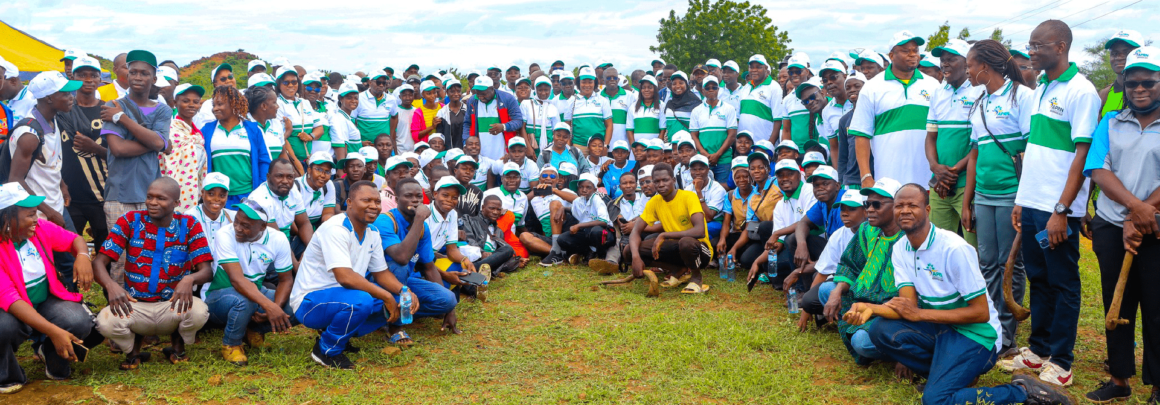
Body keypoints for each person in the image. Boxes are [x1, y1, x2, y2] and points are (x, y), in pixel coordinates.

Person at [855, 184, 1074, 405]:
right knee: (880, 330)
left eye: (912, 205)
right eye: (899, 206)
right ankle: (954, 375)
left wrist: (919, 315)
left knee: (935, 401)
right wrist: (871, 308)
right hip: (942, 328)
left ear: (928, 210)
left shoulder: (953, 248)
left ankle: (1021, 391)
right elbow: (908, 306)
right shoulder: (901, 249)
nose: (904, 211)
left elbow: (980, 314)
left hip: (977, 335)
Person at [1000, 20, 1100, 387]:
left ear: (1060, 47)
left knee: (1063, 284)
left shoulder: (1081, 91)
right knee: (1040, 279)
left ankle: (1061, 361)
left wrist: (1062, 210)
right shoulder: (1043, 87)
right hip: (1033, 204)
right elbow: (1037, 153)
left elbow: (1082, 155)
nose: (1031, 52)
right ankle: (1038, 350)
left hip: (1058, 210)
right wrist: (1022, 201)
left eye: (1037, 45)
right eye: (1029, 45)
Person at [1082, 46, 1160, 403]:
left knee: (1157, 305)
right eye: (1132, 84)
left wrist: (1143, 215)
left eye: (1148, 83)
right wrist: (1133, 210)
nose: (1139, 89)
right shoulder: (1110, 123)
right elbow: (1098, 169)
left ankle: (1159, 384)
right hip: (1113, 228)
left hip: (1156, 228)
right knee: (1118, 300)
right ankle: (1119, 379)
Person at [291, 181, 416, 368]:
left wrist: (404, 290)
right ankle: (326, 350)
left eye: (377, 201)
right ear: (349, 202)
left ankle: (340, 335)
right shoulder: (336, 229)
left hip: (340, 298)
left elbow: (381, 273)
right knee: (363, 300)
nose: (374, 206)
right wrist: (385, 295)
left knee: (398, 299)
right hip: (310, 302)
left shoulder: (372, 232)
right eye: (366, 200)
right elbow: (345, 277)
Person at [961, 39, 1034, 355]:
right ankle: (991, 323)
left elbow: (1032, 151)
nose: (967, 70)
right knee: (987, 262)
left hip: (1011, 195)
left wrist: (1023, 198)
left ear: (985, 67)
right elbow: (975, 155)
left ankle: (1007, 332)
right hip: (983, 196)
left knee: (1009, 264)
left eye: (969, 65)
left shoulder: (1022, 97)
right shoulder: (979, 103)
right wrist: (967, 201)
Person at [93, 177, 213, 369]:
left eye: (161, 198)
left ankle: (178, 345)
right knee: (105, 322)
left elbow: (206, 271)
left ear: (176, 203)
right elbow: (99, 261)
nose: (153, 202)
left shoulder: (189, 225)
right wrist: (111, 285)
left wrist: (190, 279)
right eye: (150, 197)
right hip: (135, 305)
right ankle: (132, 351)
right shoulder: (131, 221)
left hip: (172, 305)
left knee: (199, 312)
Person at [0, 182, 95, 393]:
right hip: (11, 308)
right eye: (30, 215)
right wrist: (54, 331)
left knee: (78, 320)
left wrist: (82, 256)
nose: (36, 219)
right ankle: (7, 375)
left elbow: (75, 239)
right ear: (7, 218)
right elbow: (10, 298)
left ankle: (51, 355)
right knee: (3, 328)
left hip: (43, 299)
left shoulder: (40, 229)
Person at [204, 200, 295, 366]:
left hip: (256, 294)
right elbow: (237, 281)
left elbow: (286, 280)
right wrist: (270, 306)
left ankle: (254, 330)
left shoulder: (278, 238)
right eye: (237, 221)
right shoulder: (225, 234)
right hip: (219, 296)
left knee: (296, 304)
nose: (237, 228)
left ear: (262, 226)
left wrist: (275, 306)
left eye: (245, 225)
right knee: (243, 300)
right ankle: (231, 344)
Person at [826, 178, 904, 365]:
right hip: (859, 299)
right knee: (827, 290)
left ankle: (901, 350)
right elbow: (850, 265)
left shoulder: (908, 239)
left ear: (896, 207)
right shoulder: (866, 230)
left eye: (876, 204)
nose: (869, 209)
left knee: (861, 343)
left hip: (887, 310)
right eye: (867, 204)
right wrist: (836, 292)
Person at [851, 32, 938, 189]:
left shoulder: (934, 86)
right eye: (906, 51)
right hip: (887, 181)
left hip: (928, 181)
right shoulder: (872, 88)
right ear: (892, 55)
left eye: (915, 50)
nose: (913, 55)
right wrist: (866, 176)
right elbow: (861, 136)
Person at [619, 163, 713, 295]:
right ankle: (679, 269)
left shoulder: (689, 197)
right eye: (656, 181)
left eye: (665, 180)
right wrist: (635, 257)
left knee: (686, 242)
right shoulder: (654, 201)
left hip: (700, 250)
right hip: (676, 248)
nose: (661, 184)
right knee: (629, 250)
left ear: (674, 180)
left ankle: (696, 278)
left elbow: (699, 231)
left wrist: (663, 235)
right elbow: (636, 231)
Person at [925, 39, 981, 247]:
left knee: (972, 246)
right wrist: (935, 168)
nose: (944, 64)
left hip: (968, 183)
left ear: (967, 62)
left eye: (951, 59)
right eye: (942, 60)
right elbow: (931, 137)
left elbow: (980, 143)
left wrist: (953, 171)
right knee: (938, 246)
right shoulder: (938, 93)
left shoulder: (979, 91)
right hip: (940, 184)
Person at [8, 71, 78, 232]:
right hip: (38, 216)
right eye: (65, 93)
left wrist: (62, 186)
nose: (71, 97)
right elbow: (15, 179)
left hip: (56, 205)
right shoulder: (29, 135)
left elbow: (50, 161)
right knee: (65, 256)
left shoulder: (53, 120)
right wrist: (48, 212)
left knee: (72, 253)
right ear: (48, 98)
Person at [55, 57, 111, 253]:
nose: (88, 79)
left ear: (100, 79)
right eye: (82, 75)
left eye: (93, 75)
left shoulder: (108, 110)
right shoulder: (61, 111)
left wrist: (94, 148)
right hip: (69, 195)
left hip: (102, 194)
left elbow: (118, 152)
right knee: (67, 250)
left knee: (105, 252)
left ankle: (107, 284)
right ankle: (71, 285)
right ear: (73, 77)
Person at [797, 191, 865, 331]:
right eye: (842, 209)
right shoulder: (839, 234)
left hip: (867, 286)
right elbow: (823, 271)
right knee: (813, 297)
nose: (845, 213)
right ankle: (842, 319)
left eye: (852, 209)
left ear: (866, 211)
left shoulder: (875, 233)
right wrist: (806, 308)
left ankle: (858, 324)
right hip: (846, 284)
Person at [779, 166, 844, 294]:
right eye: (816, 185)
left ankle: (809, 294)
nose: (820, 188)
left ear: (837, 186)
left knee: (818, 278)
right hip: (832, 249)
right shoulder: (823, 202)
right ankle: (802, 290)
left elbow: (838, 255)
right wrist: (802, 245)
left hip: (845, 257)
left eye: (825, 184)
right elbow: (803, 223)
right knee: (793, 239)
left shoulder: (844, 206)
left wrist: (800, 270)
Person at [203, 85, 271, 207]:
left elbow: (264, 160)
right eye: (214, 105)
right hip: (218, 197)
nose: (215, 109)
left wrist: (260, 189)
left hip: (248, 195)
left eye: (220, 104)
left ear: (234, 104)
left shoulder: (252, 129)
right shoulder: (207, 130)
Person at [160, 84, 208, 212]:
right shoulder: (170, 129)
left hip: (193, 193)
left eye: (196, 102)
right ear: (175, 103)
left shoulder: (197, 134)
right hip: (172, 190)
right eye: (186, 101)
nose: (191, 105)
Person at [250, 160, 314, 248]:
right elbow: (276, 238)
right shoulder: (259, 198)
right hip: (265, 246)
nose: (285, 181)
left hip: (287, 240)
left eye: (289, 177)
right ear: (268, 177)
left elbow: (304, 223)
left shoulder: (293, 192)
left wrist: (311, 251)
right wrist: (296, 262)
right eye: (279, 176)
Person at [552, 173, 614, 266]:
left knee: (595, 231)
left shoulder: (597, 200)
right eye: (581, 187)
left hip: (604, 234)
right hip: (586, 232)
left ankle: (600, 254)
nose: (584, 190)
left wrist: (579, 225)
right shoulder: (578, 200)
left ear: (594, 189)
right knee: (562, 239)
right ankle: (586, 252)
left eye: (588, 187)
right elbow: (572, 209)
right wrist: (562, 208)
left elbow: (603, 221)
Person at [690, 76, 739, 182]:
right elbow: (694, 135)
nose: (711, 90)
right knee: (703, 189)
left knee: (724, 189)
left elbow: (732, 135)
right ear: (703, 90)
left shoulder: (729, 109)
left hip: (724, 159)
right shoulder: (696, 111)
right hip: (703, 159)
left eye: (714, 87)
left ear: (718, 89)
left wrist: (718, 154)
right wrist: (704, 153)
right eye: (707, 88)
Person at [462, 77, 524, 161]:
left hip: (503, 153)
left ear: (492, 88)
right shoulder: (472, 101)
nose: (480, 96)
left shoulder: (507, 98)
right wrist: (466, 142)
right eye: (478, 93)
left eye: (484, 93)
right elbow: (467, 123)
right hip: (480, 154)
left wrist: (503, 127)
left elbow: (518, 121)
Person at [274, 67, 321, 166]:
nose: (291, 85)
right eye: (286, 82)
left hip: (307, 159)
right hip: (289, 161)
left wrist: (310, 136)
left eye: (294, 82)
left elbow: (319, 128)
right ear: (278, 84)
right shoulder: (277, 104)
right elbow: (282, 139)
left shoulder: (305, 102)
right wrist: (296, 165)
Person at [186, 173, 235, 260]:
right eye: (211, 194)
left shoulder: (233, 218)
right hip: (199, 268)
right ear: (202, 193)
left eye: (222, 195)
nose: (216, 199)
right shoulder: (190, 217)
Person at [683, 155, 727, 247]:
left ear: (708, 169)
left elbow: (709, 217)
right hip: (694, 223)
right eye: (694, 169)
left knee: (701, 230)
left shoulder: (717, 189)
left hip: (714, 222)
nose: (697, 172)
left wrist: (698, 191)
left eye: (701, 169)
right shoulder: (687, 189)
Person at [1099, 30, 1144, 117]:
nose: (1119, 57)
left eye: (1126, 52)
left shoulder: (1153, 92)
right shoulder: (1104, 94)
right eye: (1114, 53)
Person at [351, 71, 398, 149]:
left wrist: (391, 137)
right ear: (370, 82)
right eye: (378, 82)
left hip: (384, 147)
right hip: (365, 145)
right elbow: (352, 122)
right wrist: (359, 141)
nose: (381, 85)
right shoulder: (359, 98)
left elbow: (394, 117)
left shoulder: (391, 99)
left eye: (384, 82)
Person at [837, 72, 868, 189]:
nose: (852, 90)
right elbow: (843, 156)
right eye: (848, 88)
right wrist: (841, 180)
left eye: (857, 86)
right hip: (852, 180)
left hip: (874, 175)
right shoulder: (844, 120)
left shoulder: (876, 115)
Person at [298, 152, 338, 230]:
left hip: (316, 228)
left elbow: (328, 213)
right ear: (309, 169)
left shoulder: (328, 185)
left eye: (327, 171)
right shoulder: (296, 186)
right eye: (319, 170)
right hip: (296, 229)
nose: (323, 175)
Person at [522, 76, 561, 155]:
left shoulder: (553, 108)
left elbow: (557, 130)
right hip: (531, 145)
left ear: (550, 90)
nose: (543, 93)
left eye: (546, 90)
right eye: (540, 90)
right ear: (535, 90)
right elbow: (522, 127)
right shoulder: (526, 104)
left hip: (548, 147)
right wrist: (528, 148)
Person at [192, 63, 238, 129]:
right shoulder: (208, 105)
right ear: (215, 84)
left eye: (230, 76)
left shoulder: (244, 100)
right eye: (223, 79)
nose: (228, 81)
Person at [626, 74, 666, 147]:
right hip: (637, 151)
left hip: (654, 150)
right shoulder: (633, 107)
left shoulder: (662, 106)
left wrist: (656, 147)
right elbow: (629, 130)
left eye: (650, 87)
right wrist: (634, 149)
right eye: (644, 87)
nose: (646, 90)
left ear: (655, 89)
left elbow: (662, 130)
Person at [329, 81, 360, 160]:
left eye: (356, 98)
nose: (353, 101)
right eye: (349, 98)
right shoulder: (340, 119)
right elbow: (342, 147)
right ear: (340, 99)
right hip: (350, 164)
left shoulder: (347, 117)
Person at [435, 77, 467, 150]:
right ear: (447, 92)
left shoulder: (467, 109)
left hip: (465, 151)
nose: (456, 94)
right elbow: (440, 134)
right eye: (452, 91)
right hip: (449, 152)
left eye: (458, 91)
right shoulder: (442, 112)